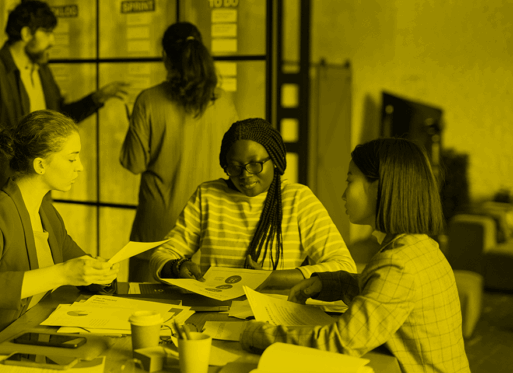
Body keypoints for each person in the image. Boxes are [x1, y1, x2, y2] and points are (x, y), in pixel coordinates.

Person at [240, 138, 470, 373]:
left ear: (380, 188)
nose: (342, 194)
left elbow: (337, 343)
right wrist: (329, 283)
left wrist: (255, 332)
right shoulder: (422, 247)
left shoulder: (398, 266)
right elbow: (381, 295)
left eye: (350, 180)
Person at [0, 110, 120, 373]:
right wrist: (62, 273)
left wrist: (102, 274)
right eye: (72, 158)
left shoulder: (46, 212)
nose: (80, 166)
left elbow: (80, 264)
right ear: (40, 165)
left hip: (23, 340)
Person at [150, 118, 356, 288]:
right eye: (235, 167)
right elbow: (162, 253)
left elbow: (344, 267)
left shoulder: (298, 199)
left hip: (276, 314)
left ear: (275, 160)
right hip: (217, 310)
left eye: (255, 165)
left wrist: (271, 279)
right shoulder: (208, 195)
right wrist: (177, 266)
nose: (245, 175)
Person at [0, 0, 128, 199]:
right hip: (6, 189)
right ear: (26, 34)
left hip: (38, 182)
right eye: (47, 32)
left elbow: (57, 119)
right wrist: (24, 143)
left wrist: (96, 99)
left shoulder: (41, 70)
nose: (52, 41)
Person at [120, 21, 238, 282]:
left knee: (144, 307)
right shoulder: (224, 101)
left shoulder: (148, 100)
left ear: (164, 57)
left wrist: (133, 125)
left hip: (155, 230)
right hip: (207, 225)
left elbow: (133, 163)